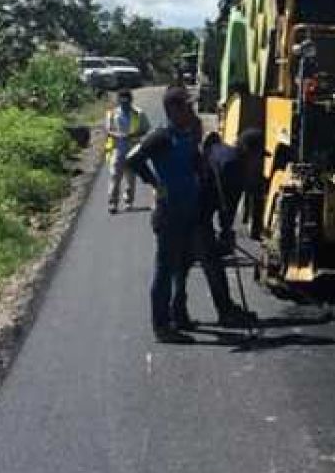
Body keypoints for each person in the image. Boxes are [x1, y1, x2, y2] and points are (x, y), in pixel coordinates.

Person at [125, 87, 243, 343]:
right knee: (165, 269)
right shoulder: (162, 137)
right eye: (187, 107)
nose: (192, 111)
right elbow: (132, 159)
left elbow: (193, 164)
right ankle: (162, 326)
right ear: (174, 110)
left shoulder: (186, 135)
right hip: (170, 213)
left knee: (183, 266)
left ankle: (179, 316)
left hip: (190, 211)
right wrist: (156, 184)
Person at [104, 89, 149, 213]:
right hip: (117, 149)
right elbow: (108, 130)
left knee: (130, 177)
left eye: (126, 100)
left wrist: (133, 134)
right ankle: (112, 203)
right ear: (119, 100)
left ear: (130, 100)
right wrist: (118, 135)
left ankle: (128, 201)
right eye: (122, 100)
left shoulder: (138, 113)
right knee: (114, 176)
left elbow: (145, 128)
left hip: (133, 148)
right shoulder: (112, 114)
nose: (124, 103)